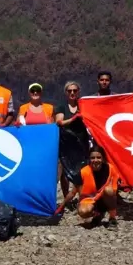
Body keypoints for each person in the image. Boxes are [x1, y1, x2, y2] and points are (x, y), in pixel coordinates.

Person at [54, 81, 89, 210]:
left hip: (81, 142)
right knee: (65, 172)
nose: (72, 93)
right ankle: (66, 198)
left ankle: (82, 197)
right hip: (66, 143)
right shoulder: (62, 107)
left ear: (78, 91)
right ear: (66, 93)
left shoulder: (83, 105)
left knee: (83, 171)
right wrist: (74, 119)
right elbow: (59, 122)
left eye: (75, 90)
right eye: (69, 91)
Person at [70, 146, 119, 230]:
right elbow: (73, 192)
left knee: (109, 190)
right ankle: (97, 215)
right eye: (93, 158)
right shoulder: (84, 171)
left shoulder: (111, 169)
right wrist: (60, 208)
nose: (95, 160)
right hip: (91, 199)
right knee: (83, 212)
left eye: (98, 157)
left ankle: (112, 218)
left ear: (103, 158)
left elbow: (114, 191)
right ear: (89, 159)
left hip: (106, 198)